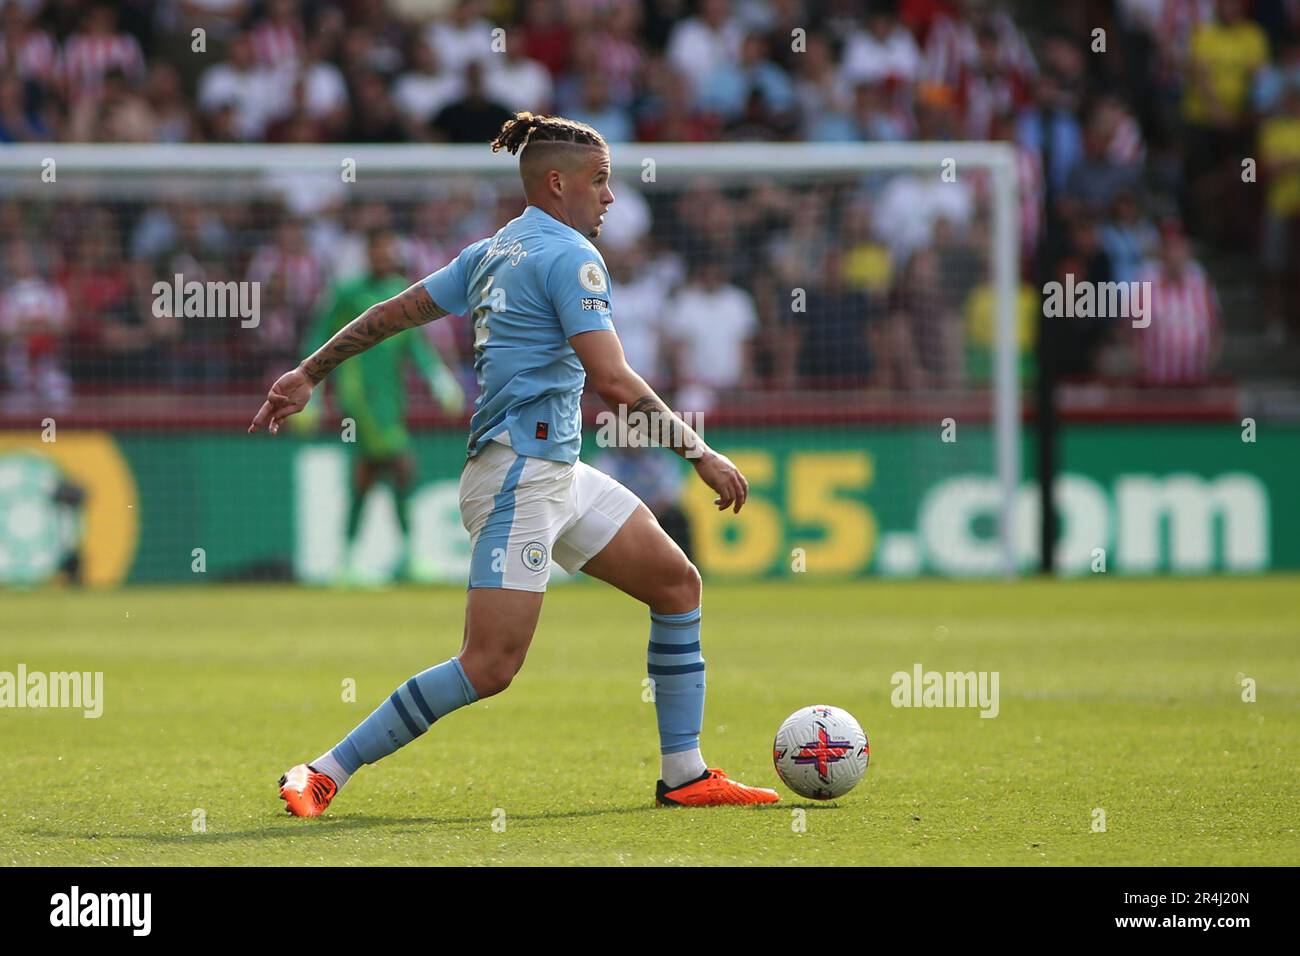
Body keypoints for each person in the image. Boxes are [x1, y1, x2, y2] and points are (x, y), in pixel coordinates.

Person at [249, 111, 776, 814]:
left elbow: (392, 313)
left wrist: (308, 371)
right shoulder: (571, 258)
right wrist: (700, 453)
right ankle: (322, 770)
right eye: (601, 182)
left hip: (556, 470)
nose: (611, 198)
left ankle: (685, 774)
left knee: (677, 585)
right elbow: (614, 380)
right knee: (489, 666)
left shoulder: (491, 251)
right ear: (559, 184)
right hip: (520, 477)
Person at [302, 227, 464, 584]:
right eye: (379, 248)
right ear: (368, 252)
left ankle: (347, 562)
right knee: (402, 466)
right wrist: (313, 389)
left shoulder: (399, 293)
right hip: (360, 398)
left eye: (390, 248)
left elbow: (416, 346)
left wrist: (439, 379)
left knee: (369, 476)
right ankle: (408, 556)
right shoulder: (347, 294)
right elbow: (320, 336)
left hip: (391, 400)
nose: (385, 255)